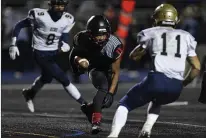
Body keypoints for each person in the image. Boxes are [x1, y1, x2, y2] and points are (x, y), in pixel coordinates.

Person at [107, 4, 200, 138]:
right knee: (158, 100)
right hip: (176, 87)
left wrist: (142, 50)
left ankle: (114, 134)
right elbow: (196, 67)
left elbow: (134, 56)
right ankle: (146, 129)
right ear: (176, 19)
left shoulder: (150, 32)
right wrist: (183, 83)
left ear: (156, 18)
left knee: (124, 104)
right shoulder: (186, 36)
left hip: (156, 79)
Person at [9, 0, 87, 113]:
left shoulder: (68, 18)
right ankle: (85, 104)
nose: (60, 8)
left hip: (54, 53)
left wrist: (64, 43)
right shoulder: (39, 15)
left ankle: (29, 93)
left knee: (47, 78)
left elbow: (64, 34)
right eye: (57, 5)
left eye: (62, 5)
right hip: (40, 52)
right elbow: (19, 25)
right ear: (50, 5)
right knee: (63, 78)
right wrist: (13, 44)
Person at [69, 15, 123, 134]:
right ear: (90, 34)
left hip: (109, 71)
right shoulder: (82, 38)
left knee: (107, 101)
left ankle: (89, 108)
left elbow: (115, 72)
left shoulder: (115, 45)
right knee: (103, 87)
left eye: (103, 35)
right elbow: (73, 55)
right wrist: (77, 67)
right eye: (98, 35)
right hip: (94, 67)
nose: (101, 38)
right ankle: (96, 122)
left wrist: (111, 93)